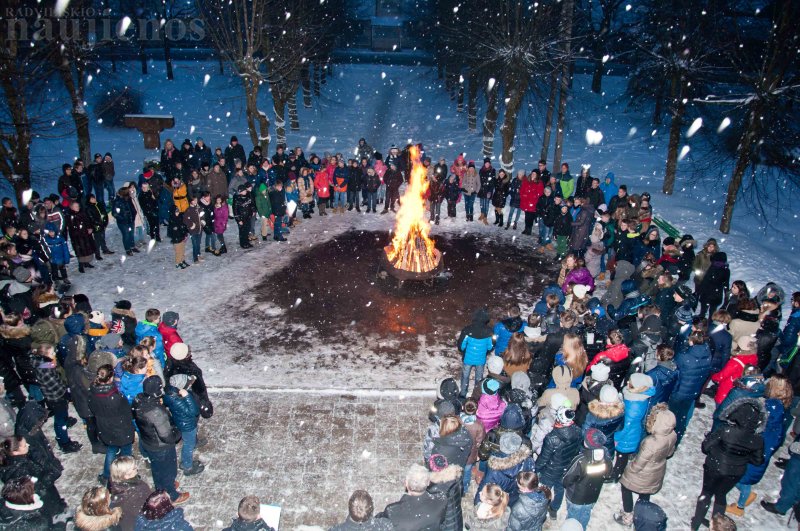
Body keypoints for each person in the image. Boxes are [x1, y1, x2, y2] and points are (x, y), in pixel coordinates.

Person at [691, 398, 765, 530]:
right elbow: (758, 461)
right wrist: (742, 456)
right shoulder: (757, 440)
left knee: (706, 493)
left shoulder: (726, 431)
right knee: (721, 495)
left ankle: (695, 523)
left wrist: (714, 445)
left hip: (714, 466)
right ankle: (718, 524)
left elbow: (705, 447)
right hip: (735, 473)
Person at [614, 404, 677, 526]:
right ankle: (641, 514)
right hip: (657, 470)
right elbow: (669, 453)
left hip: (644, 472)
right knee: (646, 491)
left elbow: (639, 464)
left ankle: (628, 515)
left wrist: (629, 470)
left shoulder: (651, 442)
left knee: (625, 487)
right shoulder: (672, 435)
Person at [132, 376, 189, 505]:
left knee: (157, 468)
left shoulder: (139, 400)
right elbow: (166, 436)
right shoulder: (156, 412)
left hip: (148, 441)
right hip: (161, 446)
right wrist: (178, 431)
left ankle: (161, 487)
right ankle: (172, 494)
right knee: (168, 469)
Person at [89, 364, 135, 482]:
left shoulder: (93, 393)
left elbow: (93, 409)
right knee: (126, 452)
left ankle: (106, 475)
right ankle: (127, 473)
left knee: (111, 449)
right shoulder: (116, 397)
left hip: (105, 428)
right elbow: (127, 413)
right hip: (121, 429)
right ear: (110, 378)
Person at [536, 406, 582, 520]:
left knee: (544, 491)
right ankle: (554, 510)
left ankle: (540, 512)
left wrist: (535, 468)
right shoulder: (578, 430)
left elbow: (543, 458)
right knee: (560, 489)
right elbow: (576, 450)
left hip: (550, 471)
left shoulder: (552, 438)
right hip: (566, 467)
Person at [562, 428, 613, 529]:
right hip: (592, 496)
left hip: (575, 498)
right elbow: (608, 475)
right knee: (585, 515)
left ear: (587, 444)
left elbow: (566, 480)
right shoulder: (606, 458)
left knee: (572, 519)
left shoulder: (581, 460)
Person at [669, 330, 712, 443]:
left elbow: (674, 371)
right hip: (694, 390)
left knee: (671, 415)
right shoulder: (707, 355)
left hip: (679, 391)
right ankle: (677, 438)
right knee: (682, 415)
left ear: (692, 341)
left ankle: (668, 438)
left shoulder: (684, 356)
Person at [610, 373, 655, 481]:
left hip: (627, 436)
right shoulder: (639, 397)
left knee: (622, 456)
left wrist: (616, 437)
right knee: (622, 455)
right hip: (633, 431)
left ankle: (617, 475)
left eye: (630, 382)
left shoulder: (633, 405)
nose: (627, 382)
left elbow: (626, 426)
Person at [377, 464, 446, 531]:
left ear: (406, 483)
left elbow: (379, 520)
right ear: (428, 482)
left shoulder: (392, 510)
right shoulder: (441, 500)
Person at [163, 374, 204, 476]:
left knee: (189, 441)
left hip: (182, 422)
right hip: (187, 425)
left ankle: (193, 445)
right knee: (188, 445)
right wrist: (187, 396)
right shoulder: (178, 400)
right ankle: (187, 466)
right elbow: (193, 411)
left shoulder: (171, 394)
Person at [457, 309, 494, 398]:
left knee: (465, 376)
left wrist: (465, 351)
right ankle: (476, 395)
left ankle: (463, 393)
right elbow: (490, 347)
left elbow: (461, 346)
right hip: (480, 359)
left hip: (468, 358)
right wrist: (484, 352)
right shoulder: (489, 331)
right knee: (479, 377)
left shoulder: (467, 330)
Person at [108, 456, 152, 531]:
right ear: (126, 476)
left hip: (124, 519)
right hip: (133, 523)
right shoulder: (137, 491)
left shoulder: (114, 480)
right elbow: (143, 510)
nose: (137, 468)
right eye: (134, 468)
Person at [167, 205, 190, 269]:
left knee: (182, 250)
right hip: (176, 239)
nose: (177, 213)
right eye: (176, 212)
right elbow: (170, 232)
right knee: (178, 251)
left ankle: (182, 261)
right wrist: (176, 234)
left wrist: (185, 233)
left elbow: (184, 226)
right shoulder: (172, 220)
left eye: (178, 211)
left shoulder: (180, 218)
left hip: (182, 237)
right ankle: (178, 263)